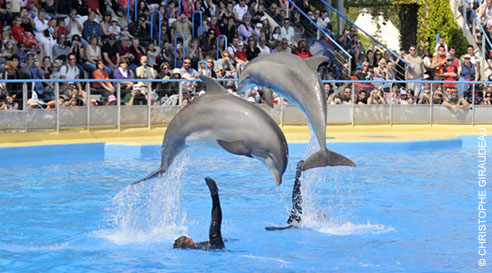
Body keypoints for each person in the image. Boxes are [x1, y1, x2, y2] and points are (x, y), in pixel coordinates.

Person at [173, 177, 225, 250]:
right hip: (216, 246)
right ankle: (214, 194)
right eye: (190, 240)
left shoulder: (194, 246)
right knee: (214, 227)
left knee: (214, 229)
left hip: (215, 246)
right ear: (187, 244)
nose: (192, 238)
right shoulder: (194, 247)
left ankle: (214, 194)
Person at [265, 160, 305, 231]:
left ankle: (298, 172)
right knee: (296, 202)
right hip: (293, 223)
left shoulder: (306, 218)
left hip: (293, 223)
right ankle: (298, 173)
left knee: (296, 202)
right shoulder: (310, 219)